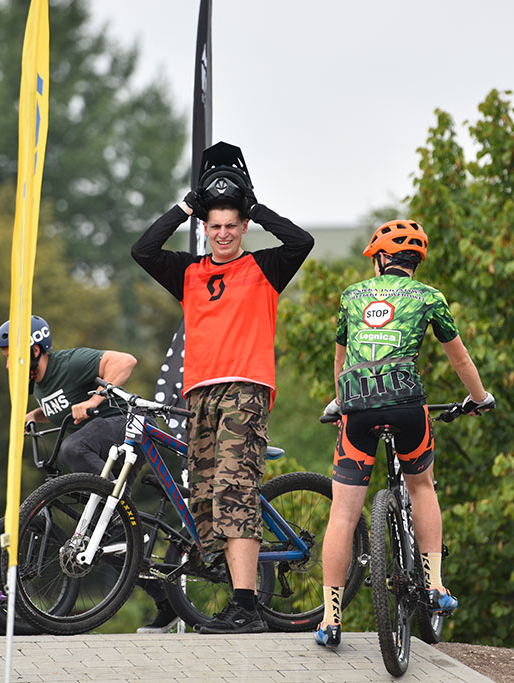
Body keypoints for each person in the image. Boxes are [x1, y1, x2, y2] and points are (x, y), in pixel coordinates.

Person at [131, 156, 314, 634]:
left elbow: (302, 241)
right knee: (207, 498)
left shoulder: (265, 267)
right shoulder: (189, 272)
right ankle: (238, 599)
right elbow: (143, 250)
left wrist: (255, 204)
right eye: (215, 226)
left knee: (235, 491)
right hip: (199, 394)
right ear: (205, 227)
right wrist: (184, 207)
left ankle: (247, 607)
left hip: (245, 388)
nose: (224, 234)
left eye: (233, 225)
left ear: (244, 226)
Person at [314, 219, 494, 649]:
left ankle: (329, 619)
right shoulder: (430, 297)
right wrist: (480, 398)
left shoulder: (352, 295)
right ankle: (434, 585)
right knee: (422, 488)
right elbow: (461, 360)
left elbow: (340, 364)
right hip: (409, 406)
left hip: (357, 409)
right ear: (415, 262)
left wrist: (340, 403)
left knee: (342, 514)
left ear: (380, 259)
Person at [0, 316, 179, 633]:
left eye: (11, 355)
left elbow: (125, 361)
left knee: (72, 449)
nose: (9, 364)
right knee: (104, 540)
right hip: (109, 450)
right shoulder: (38, 385)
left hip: (127, 427)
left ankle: (119, 511)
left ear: (36, 350)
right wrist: (36, 415)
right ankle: (169, 603)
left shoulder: (70, 362)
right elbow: (64, 403)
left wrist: (95, 399)